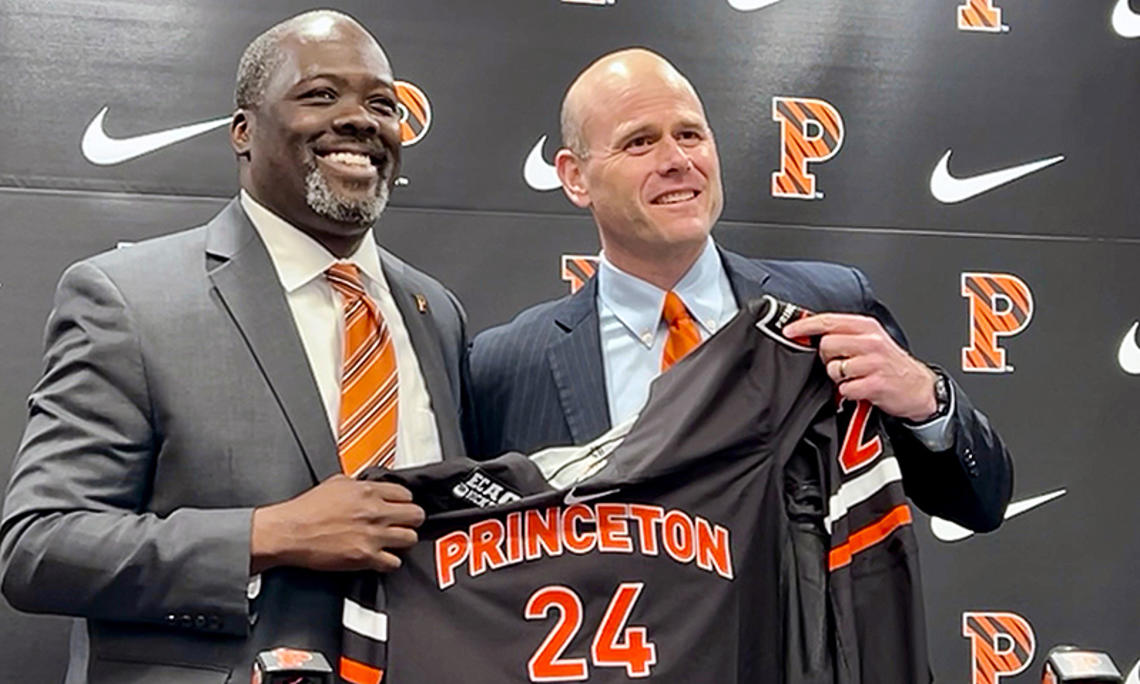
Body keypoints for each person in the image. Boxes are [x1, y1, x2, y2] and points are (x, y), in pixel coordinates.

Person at [0, 10, 467, 683]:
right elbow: (39, 548)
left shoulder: (435, 312)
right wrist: (267, 535)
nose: (361, 120)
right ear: (244, 133)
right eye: (320, 95)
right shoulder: (128, 299)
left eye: (382, 104)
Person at [466, 48, 1011, 532]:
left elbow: (979, 504)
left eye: (689, 134)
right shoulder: (506, 368)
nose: (677, 161)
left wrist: (927, 400)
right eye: (639, 142)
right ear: (574, 176)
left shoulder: (832, 306)